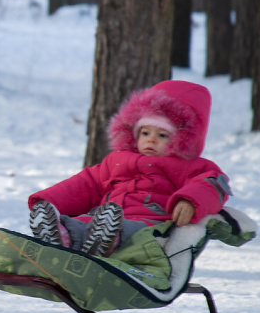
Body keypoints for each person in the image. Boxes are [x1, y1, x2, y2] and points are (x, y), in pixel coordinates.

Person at [28, 80, 231, 257]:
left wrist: (190, 201)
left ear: (182, 140)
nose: (151, 139)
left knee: (123, 228)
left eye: (162, 135)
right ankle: (59, 236)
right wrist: (48, 200)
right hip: (103, 218)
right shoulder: (118, 160)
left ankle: (107, 239)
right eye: (145, 132)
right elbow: (87, 183)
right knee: (80, 223)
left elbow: (211, 184)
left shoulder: (189, 166)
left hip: (150, 224)